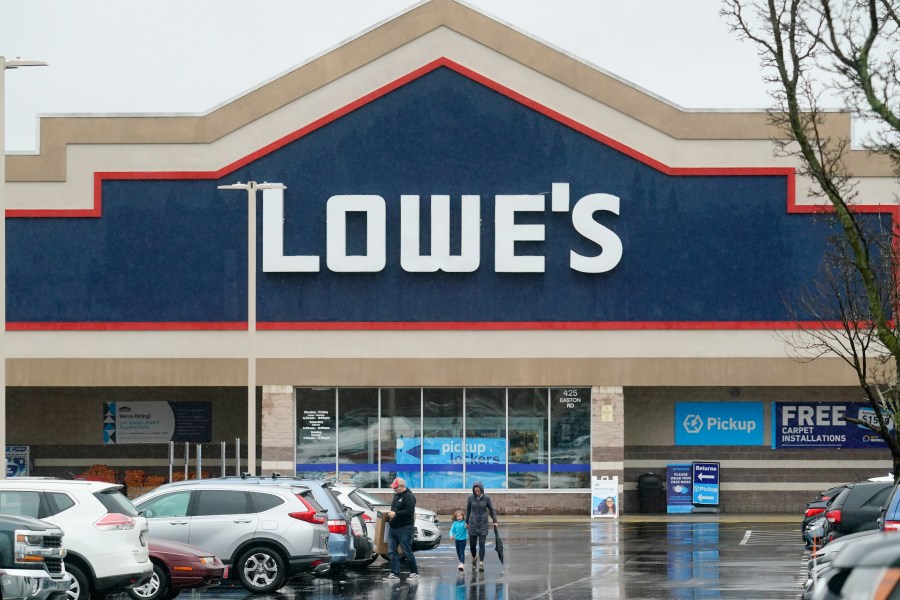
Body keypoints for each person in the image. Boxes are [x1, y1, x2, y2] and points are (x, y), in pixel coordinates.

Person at [384, 477, 419, 581]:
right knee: (392, 552)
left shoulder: (409, 496)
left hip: (405, 528)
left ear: (402, 486)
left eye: (396, 487)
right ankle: (395, 573)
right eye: (393, 487)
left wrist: (396, 514)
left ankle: (414, 572)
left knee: (407, 551)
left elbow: (409, 512)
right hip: (393, 528)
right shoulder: (396, 496)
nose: (394, 489)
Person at [465, 481, 499, 572]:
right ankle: (474, 557)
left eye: (478, 490)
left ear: (481, 489)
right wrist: (466, 522)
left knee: (482, 544)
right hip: (473, 524)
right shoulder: (470, 498)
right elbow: (468, 510)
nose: (477, 492)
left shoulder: (486, 498)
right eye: (475, 491)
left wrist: (495, 521)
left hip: (483, 524)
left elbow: (492, 510)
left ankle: (481, 563)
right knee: (472, 545)